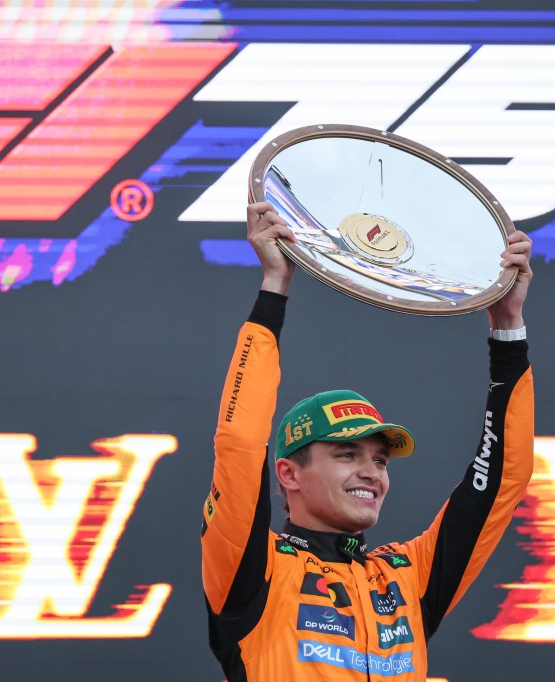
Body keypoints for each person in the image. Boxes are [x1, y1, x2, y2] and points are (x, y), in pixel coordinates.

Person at [200, 201, 534, 681]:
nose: (371, 472)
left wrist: (507, 328)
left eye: (380, 460)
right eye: (345, 453)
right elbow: (239, 442)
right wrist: (274, 288)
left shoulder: (406, 577)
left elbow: (500, 482)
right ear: (289, 473)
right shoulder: (255, 573)